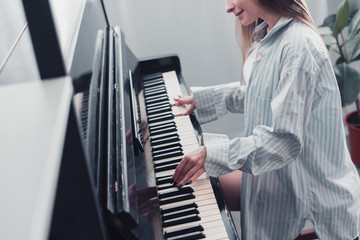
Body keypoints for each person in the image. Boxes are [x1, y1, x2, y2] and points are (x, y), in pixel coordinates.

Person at [171, 0, 360, 239]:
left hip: (309, 185)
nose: (228, 7)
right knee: (186, 186)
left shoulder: (299, 46)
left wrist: (213, 152)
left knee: (197, 183)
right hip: (280, 173)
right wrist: (205, 98)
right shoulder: (268, 33)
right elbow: (263, 94)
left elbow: (283, 141)